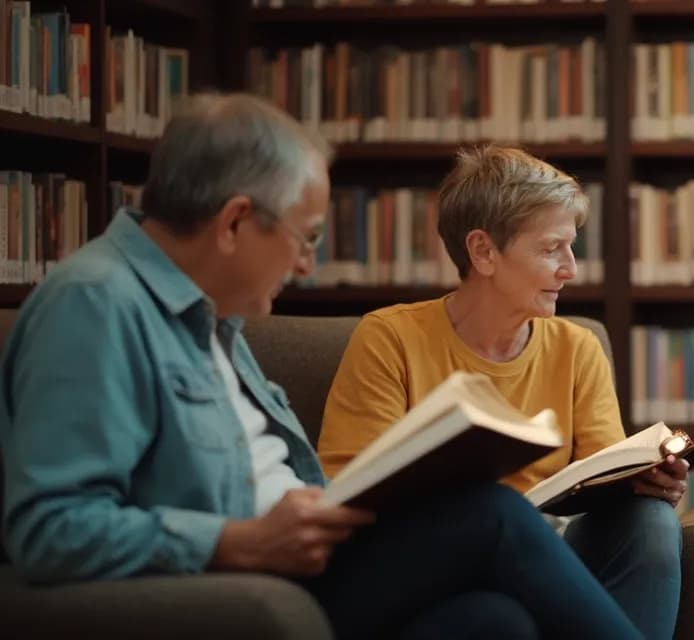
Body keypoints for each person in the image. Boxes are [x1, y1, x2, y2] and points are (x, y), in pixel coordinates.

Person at [0, 93, 641, 639]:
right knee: (493, 514)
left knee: (496, 622)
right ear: (235, 223)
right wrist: (235, 540)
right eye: (305, 238)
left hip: (312, 559)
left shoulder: (210, 319)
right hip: (251, 577)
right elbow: (49, 530)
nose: (306, 265)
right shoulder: (97, 305)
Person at [316, 144, 683, 639]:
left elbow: (604, 482)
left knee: (651, 519)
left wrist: (646, 479)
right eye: (551, 249)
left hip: (551, 559)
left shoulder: (578, 348)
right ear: (483, 251)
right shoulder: (390, 338)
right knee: (496, 599)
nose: (570, 269)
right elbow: (347, 490)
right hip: (438, 562)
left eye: (571, 247)